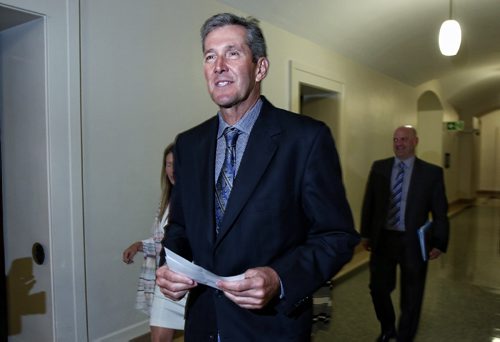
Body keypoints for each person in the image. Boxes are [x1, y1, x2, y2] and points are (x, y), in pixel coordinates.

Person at [155, 12, 360, 341]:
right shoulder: (188, 145)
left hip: (271, 328)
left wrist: (279, 278)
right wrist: (168, 269)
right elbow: (179, 227)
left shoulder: (305, 139)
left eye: (232, 53)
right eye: (210, 56)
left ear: (260, 67)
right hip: (205, 325)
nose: (219, 65)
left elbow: (336, 236)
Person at [361, 125, 450, 342]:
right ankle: (388, 328)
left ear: (415, 142)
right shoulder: (380, 167)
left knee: (412, 294)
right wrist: (366, 234)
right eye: (395, 139)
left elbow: (440, 211)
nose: (399, 143)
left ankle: (405, 337)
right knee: (378, 288)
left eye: (404, 139)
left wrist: (439, 241)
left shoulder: (431, 173)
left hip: (414, 242)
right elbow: (369, 203)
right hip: (384, 240)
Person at [122, 143, 186, 342]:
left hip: (188, 281)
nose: (172, 170)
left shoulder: (198, 199)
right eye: (167, 164)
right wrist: (139, 245)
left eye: (176, 164)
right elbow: (162, 240)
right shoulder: (166, 200)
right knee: (158, 336)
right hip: (165, 279)